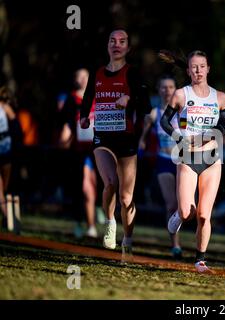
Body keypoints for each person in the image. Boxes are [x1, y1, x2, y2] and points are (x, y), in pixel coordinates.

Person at [80, 29, 150, 260]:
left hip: (126, 139)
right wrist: (84, 116)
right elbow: (89, 97)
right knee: (109, 182)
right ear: (107, 45)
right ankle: (110, 222)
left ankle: (127, 240)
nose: (116, 45)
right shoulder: (98, 73)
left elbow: (146, 106)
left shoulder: (133, 73)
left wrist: (129, 100)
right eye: (112, 41)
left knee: (126, 198)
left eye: (122, 42)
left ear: (128, 48)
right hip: (103, 137)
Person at [160, 50, 225, 273]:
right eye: (194, 67)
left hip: (211, 158)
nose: (198, 70)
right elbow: (164, 121)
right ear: (188, 70)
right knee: (186, 211)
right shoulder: (181, 94)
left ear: (208, 68)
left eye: (202, 66)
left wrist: (208, 139)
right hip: (187, 156)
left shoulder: (220, 98)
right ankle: (178, 216)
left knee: (203, 214)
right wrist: (179, 137)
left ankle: (200, 260)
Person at [138, 75, 183, 259]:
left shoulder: (182, 111)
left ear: (175, 89)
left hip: (183, 161)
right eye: (163, 87)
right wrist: (140, 145)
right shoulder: (155, 113)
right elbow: (143, 136)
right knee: (171, 204)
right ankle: (176, 245)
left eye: (171, 87)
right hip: (164, 160)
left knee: (188, 207)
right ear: (159, 90)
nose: (167, 90)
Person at [59, 68, 99, 238]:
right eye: (79, 76)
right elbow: (66, 123)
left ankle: (93, 219)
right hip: (78, 151)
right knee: (83, 187)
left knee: (93, 186)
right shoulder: (71, 99)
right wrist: (65, 136)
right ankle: (84, 223)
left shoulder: (98, 98)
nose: (82, 79)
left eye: (85, 76)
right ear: (75, 79)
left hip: (97, 149)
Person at [0, 86, 17, 227]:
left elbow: (15, 124)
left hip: (5, 148)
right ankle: (7, 216)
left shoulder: (4, 107)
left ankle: (7, 217)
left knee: (5, 187)